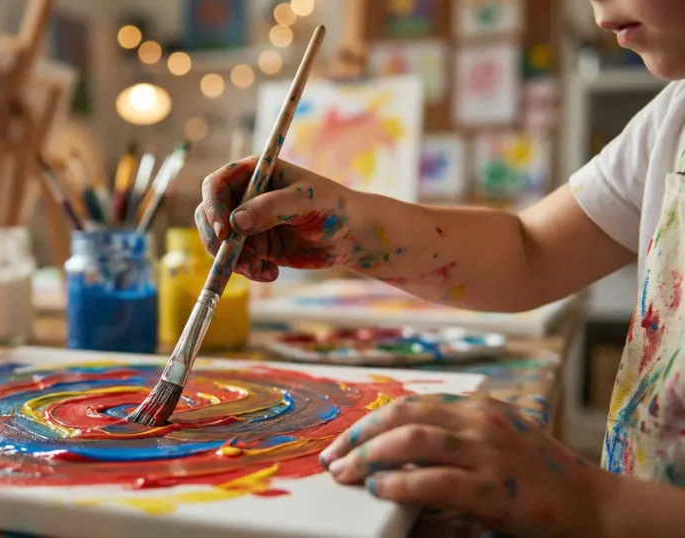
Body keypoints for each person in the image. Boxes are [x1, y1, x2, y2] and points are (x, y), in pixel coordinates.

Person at [195, 0, 685, 535]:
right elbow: (530, 251)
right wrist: (344, 223)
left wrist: (593, 502)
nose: (597, 11)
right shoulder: (671, 117)